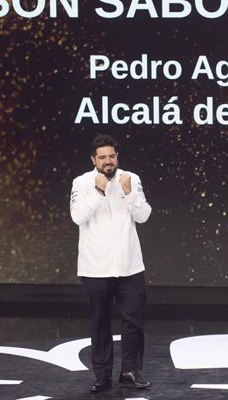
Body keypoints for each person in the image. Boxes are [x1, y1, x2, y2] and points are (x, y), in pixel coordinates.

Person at [70, 134, 153, 393]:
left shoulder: (131, 179)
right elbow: (77, 217)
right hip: (96, 267)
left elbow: (143, 216)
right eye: (103, 157)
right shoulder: (82, 183)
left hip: (130, 266)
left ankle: (130, 371)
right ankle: (102, 375)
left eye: (112, 156)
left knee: (134, 322)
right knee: (100, 323)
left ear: (117, 156)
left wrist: (129, 194)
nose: (108, 161)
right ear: (94, 159)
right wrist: (98, 191)